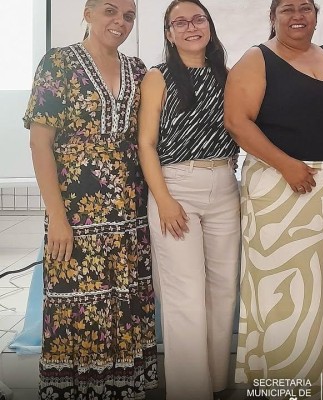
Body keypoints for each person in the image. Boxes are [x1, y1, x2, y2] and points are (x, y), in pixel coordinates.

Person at [23, 0, 158, 398]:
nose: (120, 22)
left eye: (129, 16)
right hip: (77, 217)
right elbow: (39, 142)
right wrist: (57, 219)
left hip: (130, 218)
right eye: (110, 11)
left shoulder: (138, 71)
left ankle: (122, 388)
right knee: (79, 307)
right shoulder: (59, 64)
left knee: (125, 304)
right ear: (87, 13)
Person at [224, 0, 323, 395]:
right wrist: (287, 165)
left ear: (316, 15)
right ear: (273, 16)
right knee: (282, 294)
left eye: (306, 7)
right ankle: (281, 385)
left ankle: (311, 377)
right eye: (287, 8)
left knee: (317, 288)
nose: (297, 15)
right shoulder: (257, 59)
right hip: (279, 190)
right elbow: (236, 121)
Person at [137, 1, 239, 399]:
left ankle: (214, 383)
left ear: (209, 26)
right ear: (168, 34)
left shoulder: (227, 76)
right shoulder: (158, 77)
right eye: (179, 22)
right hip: (175, 185)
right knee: (185, 296)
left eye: (198, 19)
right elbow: (145, 143)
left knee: (223, 289)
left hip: (224, 184)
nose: (190, 27)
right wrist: (163, 200)